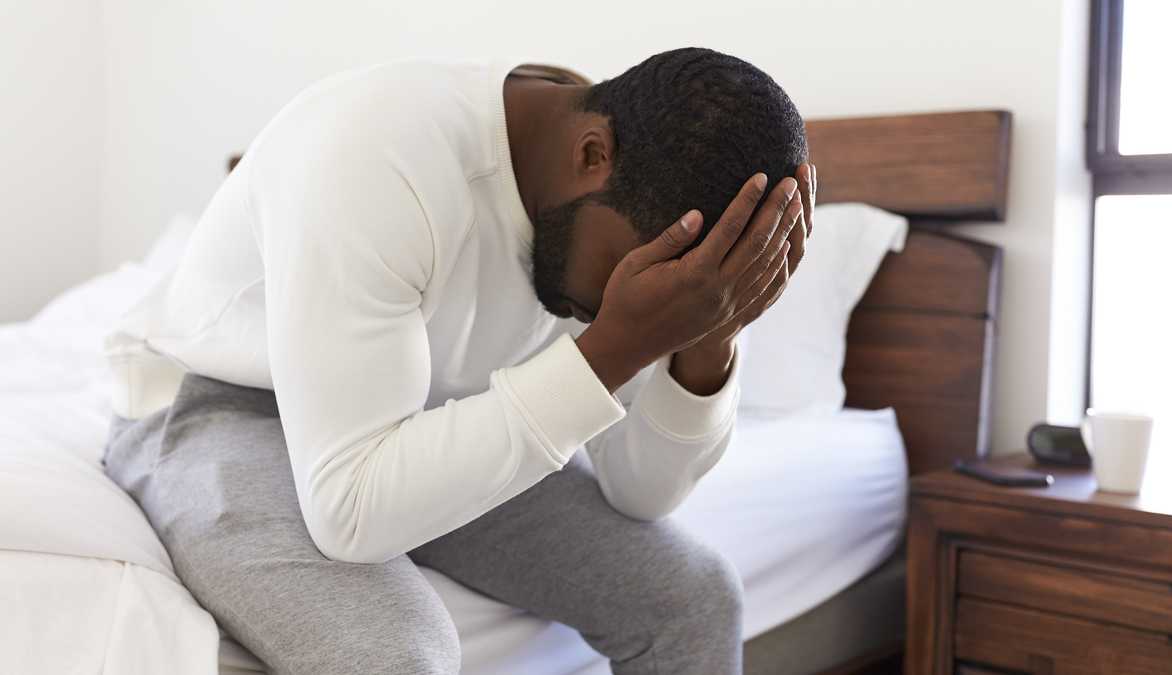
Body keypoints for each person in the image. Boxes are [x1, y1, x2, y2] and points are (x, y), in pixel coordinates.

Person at [103, 47, 815, 674]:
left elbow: (640, 493)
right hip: (216, 404)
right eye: (628, 280)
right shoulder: (375, 154)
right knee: (394, 654)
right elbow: (351, 510)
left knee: (695, 600)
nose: (620, 305)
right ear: (592, 155)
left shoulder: (664, 226)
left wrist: (710, 335)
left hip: (426, 416)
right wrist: (614, 349)